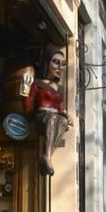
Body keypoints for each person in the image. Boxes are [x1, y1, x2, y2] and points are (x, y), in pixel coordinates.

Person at [23, 48, 72, 176]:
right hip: (41, 118)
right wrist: (25, 89)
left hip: (54, 118)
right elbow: (28, 106)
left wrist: (66, 115)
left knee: (62, 120)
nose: (60, 67)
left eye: (63, 64)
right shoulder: (37, 83)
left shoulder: (60, 89)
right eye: (56, 62)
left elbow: (61, 109)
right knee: (54, 118)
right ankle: (46, 158)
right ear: (46, 63)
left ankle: (46, 157)